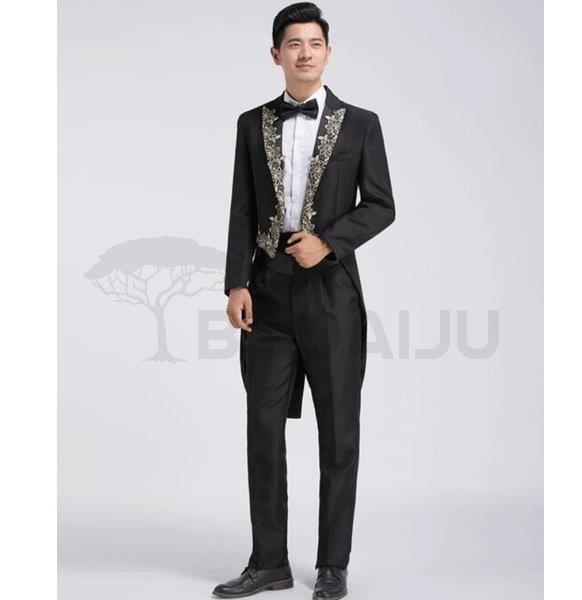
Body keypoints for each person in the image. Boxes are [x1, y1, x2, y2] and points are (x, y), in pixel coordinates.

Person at [215, 3, 395, 598]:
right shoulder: (251, 123)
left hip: (331, 292)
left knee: (339, 433)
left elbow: (381, 204)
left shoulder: (361, 124)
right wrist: (236, 283)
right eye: (293, 43)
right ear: (276, 54)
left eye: (314, 43)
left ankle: (333, 566)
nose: (305, 52)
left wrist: (330, 243)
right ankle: (269, 562)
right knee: (262, 428)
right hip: (266, 293)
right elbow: (242, 207)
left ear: (328, 52)